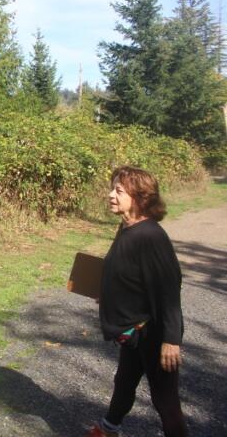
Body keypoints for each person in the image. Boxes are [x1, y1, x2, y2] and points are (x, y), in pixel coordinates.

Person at [87, 166, 187, 437]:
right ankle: (109, 429)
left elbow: (168, 291)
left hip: (153, 333)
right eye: (112, 189)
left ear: (140, 198)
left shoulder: (151, 237)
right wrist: (109, 295)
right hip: (134, 331)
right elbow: (128, 274)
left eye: (118, 191)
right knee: (124, 382)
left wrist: (171, 340)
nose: (110, 195)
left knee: (165, 401)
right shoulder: (127, 227)